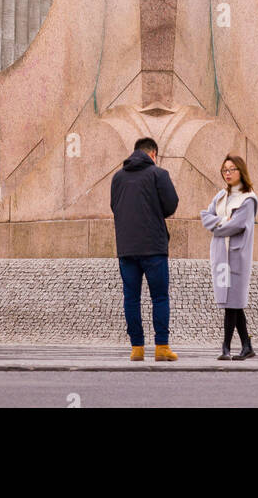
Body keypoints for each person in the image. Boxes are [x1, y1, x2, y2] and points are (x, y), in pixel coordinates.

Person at [110, 136, 179, 361]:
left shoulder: (118, 177)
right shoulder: (159, 174)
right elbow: (171, 205)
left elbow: (115, 206)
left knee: (131, 298)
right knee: (159, 297)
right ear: (153, 155)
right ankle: (161, 347)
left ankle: (136, 349)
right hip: (154, 247)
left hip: (127, 248)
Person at [201, 154, 258, 360]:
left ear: (240, 171)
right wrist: (222, 222)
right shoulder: (220, 196)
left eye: (231, 169)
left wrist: (219, 224)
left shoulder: (248, 199)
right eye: (224, 170)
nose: (227, 173)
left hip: (236, 257)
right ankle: (247, 345)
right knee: (232, 302)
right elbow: (205, 217)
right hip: (220, 255)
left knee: (233, 302)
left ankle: (226, 347)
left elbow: (235, 225)